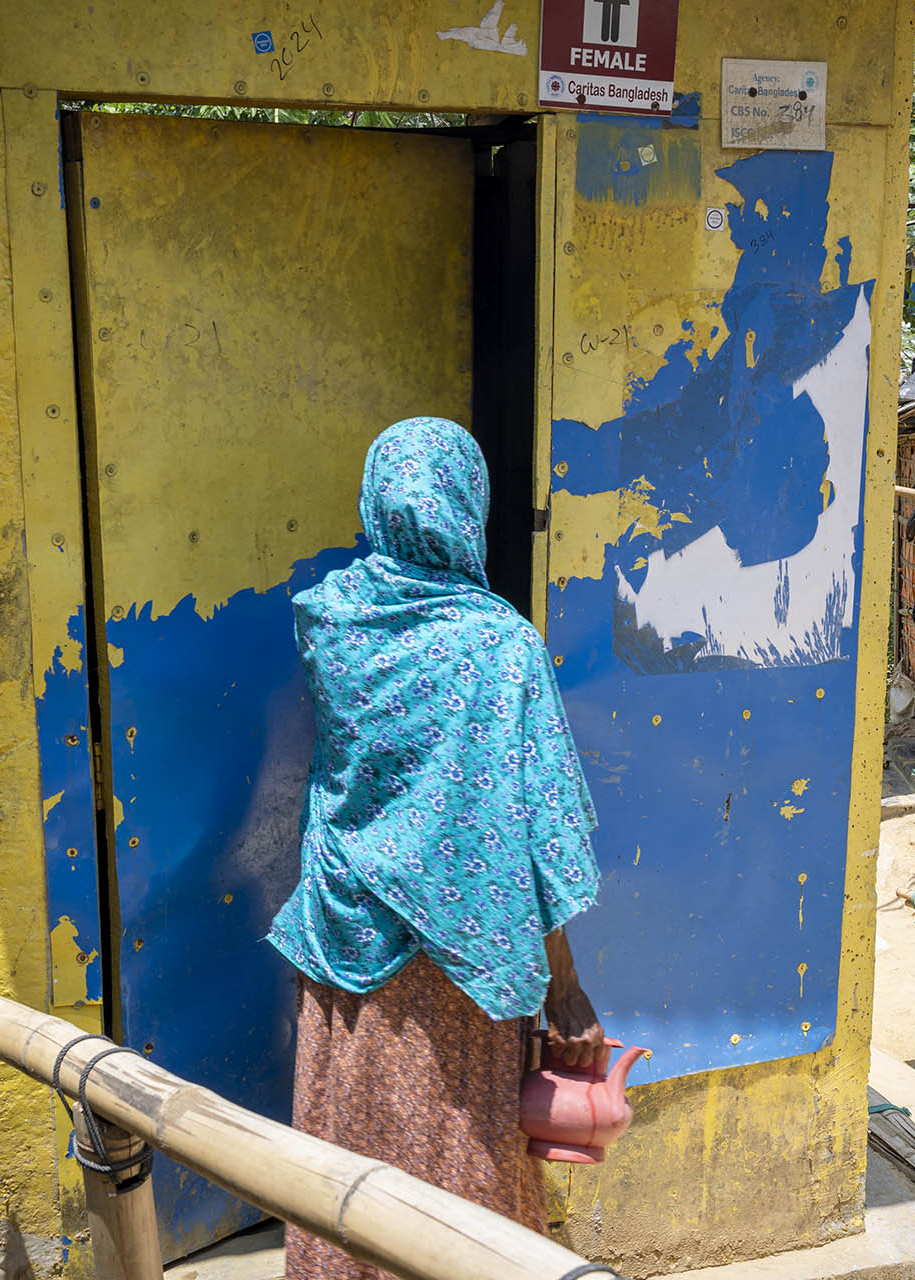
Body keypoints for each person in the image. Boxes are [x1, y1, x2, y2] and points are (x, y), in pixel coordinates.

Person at [267, 416, 607, 1279]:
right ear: (470, 509)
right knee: (465, 1176)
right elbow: (536, 836)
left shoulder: (329, 622)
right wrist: (566, 994)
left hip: (347, 953)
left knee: (348, 1159)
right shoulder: (501, 647)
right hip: (463, 977)